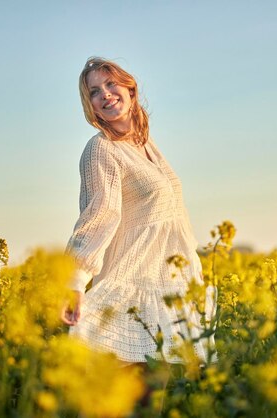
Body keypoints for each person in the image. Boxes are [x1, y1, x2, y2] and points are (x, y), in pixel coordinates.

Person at [61, 57, 216, 367]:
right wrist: (74, 281)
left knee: (149, 404)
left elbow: (174, 218)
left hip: (165, 290)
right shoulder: (101, 149)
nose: (104, 94)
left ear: (130, 90)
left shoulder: (146, 145)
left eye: (110, 84)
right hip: (130, 291)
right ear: (90, 107)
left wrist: (192, 270)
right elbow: (98, 216)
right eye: (94, 92)